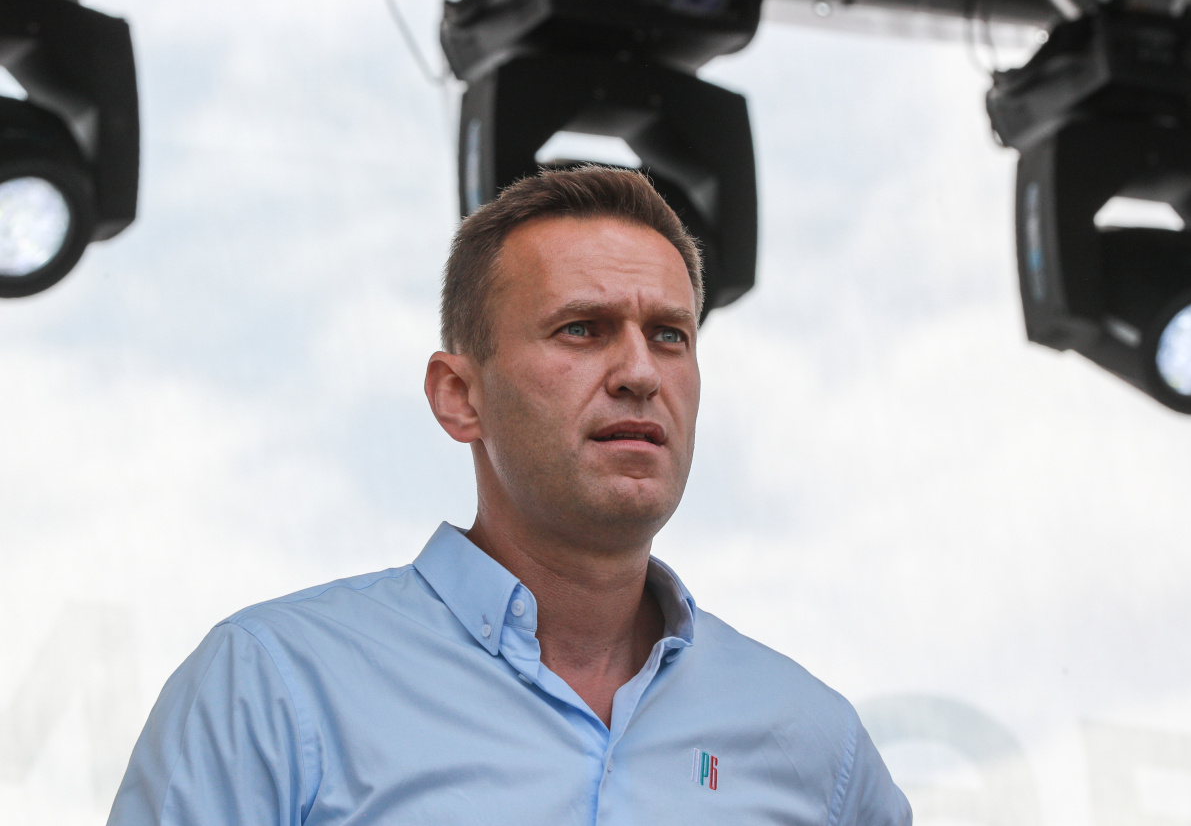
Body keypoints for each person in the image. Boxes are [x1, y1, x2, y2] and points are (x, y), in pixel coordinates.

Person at [107, 166, 912, 825]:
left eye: (670, 335)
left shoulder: (818, 747)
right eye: (582, 329)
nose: (640, 372)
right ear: (459, 396)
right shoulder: (272, 687)